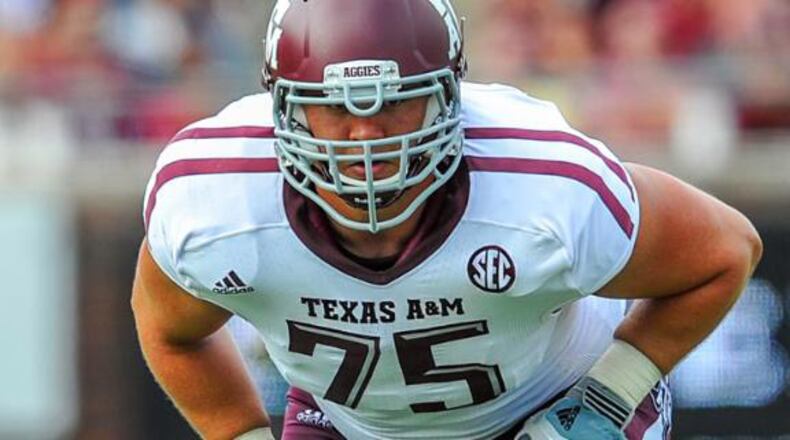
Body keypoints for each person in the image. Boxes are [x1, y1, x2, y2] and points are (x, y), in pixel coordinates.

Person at [130, 1, 762, 439]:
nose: (365, 139)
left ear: (450, 95)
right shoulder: (212, 197)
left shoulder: (545, 186)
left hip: (553, 403)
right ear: (283, 110)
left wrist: (609, 395)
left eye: (399, 102)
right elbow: (170, 331)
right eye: (333, 112)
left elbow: (725, 249)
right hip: (351, 423)